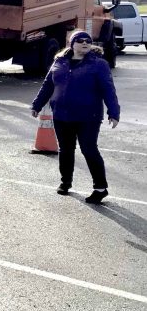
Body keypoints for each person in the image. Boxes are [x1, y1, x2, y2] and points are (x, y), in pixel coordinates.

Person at [31, 30, 120, 203]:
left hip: (88, 116)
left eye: (88, 40)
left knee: (89, 149)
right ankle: (65, 182)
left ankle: (100, 188)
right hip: (62, 115)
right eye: (80, 40)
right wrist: (37, 104)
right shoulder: (59, 61)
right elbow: (48, 85)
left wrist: (114, 112)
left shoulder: (99, 64)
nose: (85, 43)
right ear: (72, 44)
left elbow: (108, 89)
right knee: (65, 150)